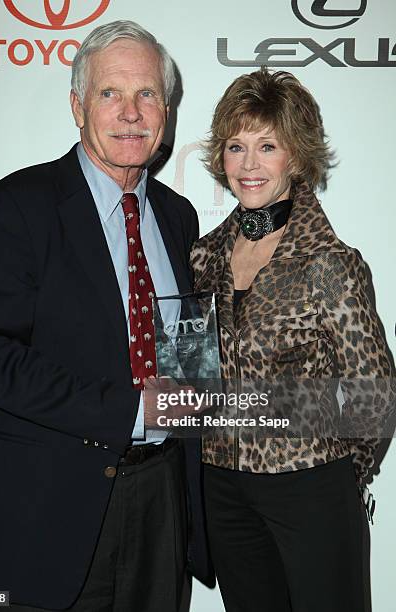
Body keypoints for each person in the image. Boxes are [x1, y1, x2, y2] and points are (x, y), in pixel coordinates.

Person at [0, 20, 210, 612]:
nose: (131, 112)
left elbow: (187, 350)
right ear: (77, 105)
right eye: (109, 93)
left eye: (147, 94)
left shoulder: (179, 216)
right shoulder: (20, 205)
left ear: (166, 111)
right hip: (44, 513)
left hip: (162, 504)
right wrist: (129, 410)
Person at [190, 68, 394, 612]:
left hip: (310, 486)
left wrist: (332, 477)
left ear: (296, 157)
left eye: (267, 146)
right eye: (236, 147)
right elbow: (191, 376)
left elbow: (374, 394)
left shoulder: (330, 263)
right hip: (222, 489)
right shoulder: (202, 258)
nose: (249, 165)